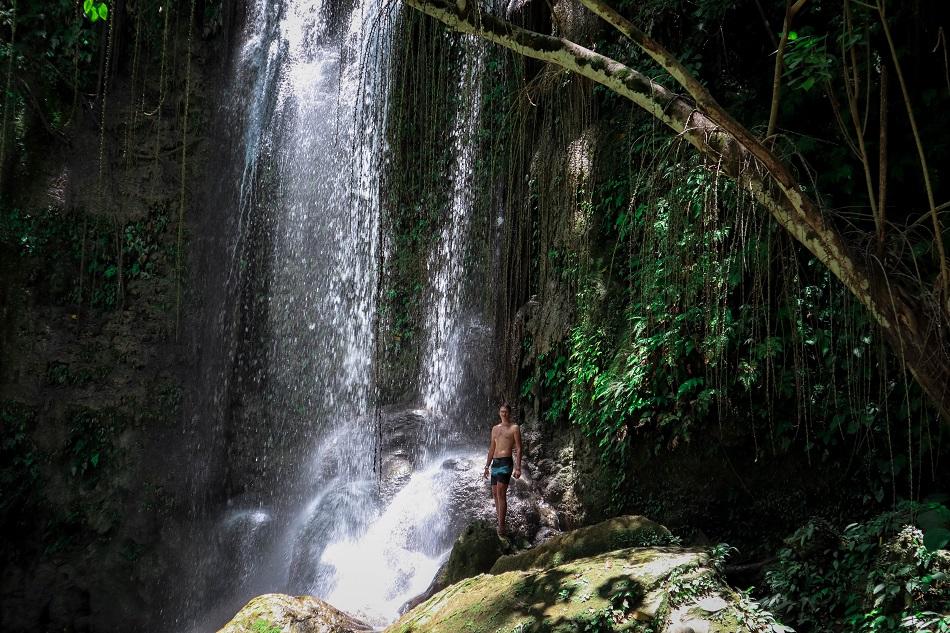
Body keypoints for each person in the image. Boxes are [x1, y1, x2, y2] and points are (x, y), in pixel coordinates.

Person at [483, 402, 522, 536]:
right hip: (495, 462)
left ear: (509, 413)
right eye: (501, 411)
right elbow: (491, 448)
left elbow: (518, 448)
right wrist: (487, 466)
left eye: (505, 412)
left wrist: (518, 467)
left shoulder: (514, 428)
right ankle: (500, 521)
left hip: (506, 461)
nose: (503, 414)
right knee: (494, 493)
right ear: (499, 413)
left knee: (501, 493)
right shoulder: (495, 428)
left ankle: (501, 526)